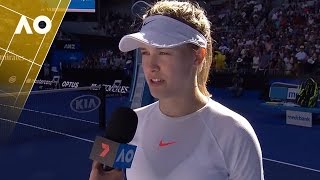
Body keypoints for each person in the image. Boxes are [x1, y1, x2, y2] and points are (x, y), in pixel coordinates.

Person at [89, 1, 264, 180]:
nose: (151, 66)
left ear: (198, 56)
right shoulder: (129, 125)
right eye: (145, 52)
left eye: (164, 52)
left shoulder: (235, 132)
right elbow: (104, 172)